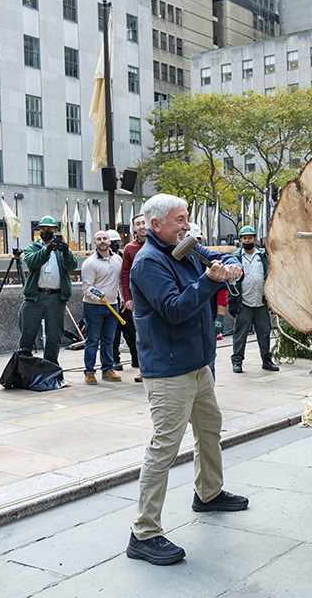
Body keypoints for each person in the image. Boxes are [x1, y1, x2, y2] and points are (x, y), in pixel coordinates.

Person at [126, 193, 247, 566]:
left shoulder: (186, 246)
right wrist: (211, 281)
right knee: (164, 447)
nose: (187, 225)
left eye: (187, 218)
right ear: (155, 225)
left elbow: (218, 257)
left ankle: (208, 494)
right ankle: (143, 533)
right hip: (168, 370)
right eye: (180, 220)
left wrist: (230, 265)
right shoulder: (147, 262)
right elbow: (176, 310)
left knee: (210, 427)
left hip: (198, 363)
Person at [18, 216, 77, 364]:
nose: (46, 232)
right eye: (43, 229)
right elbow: (31, 262)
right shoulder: (32, 248)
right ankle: (23, 366)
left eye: (49, 230)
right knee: (27, 334)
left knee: (54, 336)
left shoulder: (62, 249)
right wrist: (46, 251)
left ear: (56, 231)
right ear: (39, 231)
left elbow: (72, 266)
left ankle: (50, 367)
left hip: (56, 298)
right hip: (35, 297)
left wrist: (66, 252)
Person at [230, 225, 279, 373]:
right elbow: (230, 280)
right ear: (240, 240)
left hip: (260, 302)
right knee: (240, 334)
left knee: (264, 332)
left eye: (250, 238)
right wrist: (232, 301)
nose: (247, 240)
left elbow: (270, 276)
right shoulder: (236, 257)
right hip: (243, 302)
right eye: (244, 238)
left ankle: (266, 360)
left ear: (255, 239)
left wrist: (271, 299)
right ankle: (237, 361)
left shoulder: (262, 256)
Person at [80, 230, 123, 384]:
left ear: (109, 241)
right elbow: (87, 287)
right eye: (99, 239)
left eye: (105, 238)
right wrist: (96, 298)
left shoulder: (118, 259)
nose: (102, 241)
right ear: (95, 243)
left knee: (108, 340)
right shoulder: (90, 263)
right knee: (92, 340)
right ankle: (89, 371)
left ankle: (107, 370)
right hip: (93, 306)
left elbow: (119, 283)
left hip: (113, 305)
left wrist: (123, 299)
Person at [120, 213, 145, 382]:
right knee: (142, 336)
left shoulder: (160, 243)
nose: (142, 226)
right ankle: (145, 369)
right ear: (134, 228)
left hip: (162, 296)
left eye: (144, 222)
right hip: (139, 300)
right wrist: (127, 297)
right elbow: (124, 274)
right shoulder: (129, 249)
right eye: (138, 224)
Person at [106, 230, 126, 372]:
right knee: (113, 333)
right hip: (110, 298)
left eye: (116, 242)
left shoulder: (124, 257)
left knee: (131, 330)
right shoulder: (102, 259)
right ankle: (114, 359)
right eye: (112, 242)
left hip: (123, 298)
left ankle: (137, 359)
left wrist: (125, 298)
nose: (114, 245)